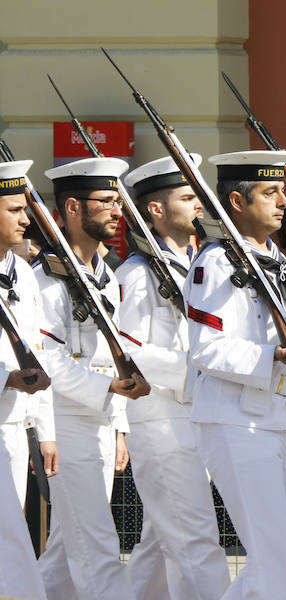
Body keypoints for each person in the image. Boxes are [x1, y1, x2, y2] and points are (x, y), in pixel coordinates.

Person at [184, 150, 286, 599]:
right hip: (235, 421)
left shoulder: (274, 259)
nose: (283, 202)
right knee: (275, 559)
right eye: (269, 192)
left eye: (282, 191)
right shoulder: (216, 262)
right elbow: (206, 347)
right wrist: (272, 357)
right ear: (237, 203)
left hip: (279, 420)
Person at [36, 157, 151, 600]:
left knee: (68, 549)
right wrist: (106, 390)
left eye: (118, 200)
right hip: (66, 423)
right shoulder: (46, 279)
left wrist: (118, 425)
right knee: (98, 547)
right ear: (71, 208)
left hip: (101, 424)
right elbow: (47, 358)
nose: (117, 210)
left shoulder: (106, 276)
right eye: (104, 201)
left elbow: (112, 356)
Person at [116, 154, 230, 600]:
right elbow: (127, 347)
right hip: (162, 419)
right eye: (186, 197)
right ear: (156, 210)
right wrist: (196, 368)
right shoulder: (138, 273)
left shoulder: (202, 266)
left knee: (161, 543)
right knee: (194, 539)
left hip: (195, 415)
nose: (198, 204)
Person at [0, 159, 56, 600]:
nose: (26, 219)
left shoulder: (22, 273)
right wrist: (6, 377)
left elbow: (38, 354)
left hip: (15, 426)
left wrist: (45, 431)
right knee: (11, 536)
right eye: (14, 210)